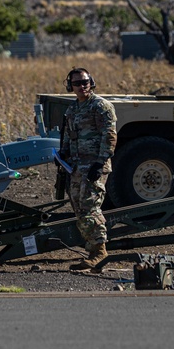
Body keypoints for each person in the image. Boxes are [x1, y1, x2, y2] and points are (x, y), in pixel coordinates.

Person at [59, 67, 117, 271]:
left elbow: (109, 135)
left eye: (85, 82)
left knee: (90, 207)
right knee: (78, 207)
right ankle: (92, 250)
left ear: (91, 82)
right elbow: (69, 134)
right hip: (76, 166)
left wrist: (100, 163)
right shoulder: (73, 109)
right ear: (70, 86)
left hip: (94, 165)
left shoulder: (100, 106)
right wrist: (63, 153)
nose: (82, 86)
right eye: (77, 83)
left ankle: (99, 253)